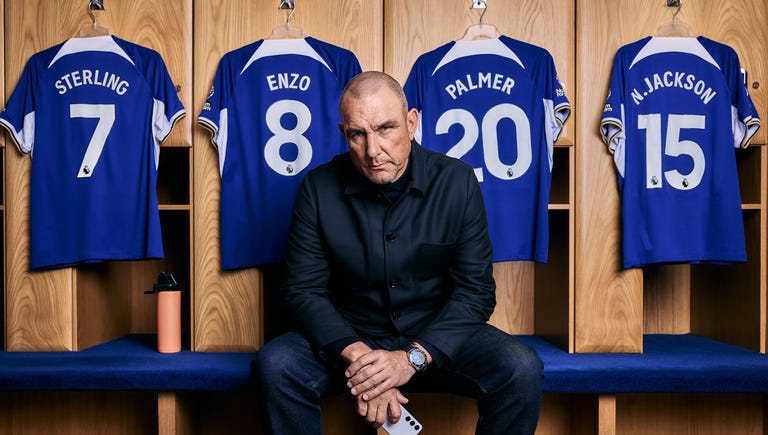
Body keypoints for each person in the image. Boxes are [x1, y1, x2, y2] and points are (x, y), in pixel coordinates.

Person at [252, 71, 543, 435]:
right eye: (358, 135)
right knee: (275, 365)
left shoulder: (457, 181)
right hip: (349, 336)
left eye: (386, 129)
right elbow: (302, 291)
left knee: (521, 368)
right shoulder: (317, 187)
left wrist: (411, 359)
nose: (372, 151)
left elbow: (476, 293)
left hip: (436, 336)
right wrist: (362, 360)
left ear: (411, 122)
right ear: (344, 133)